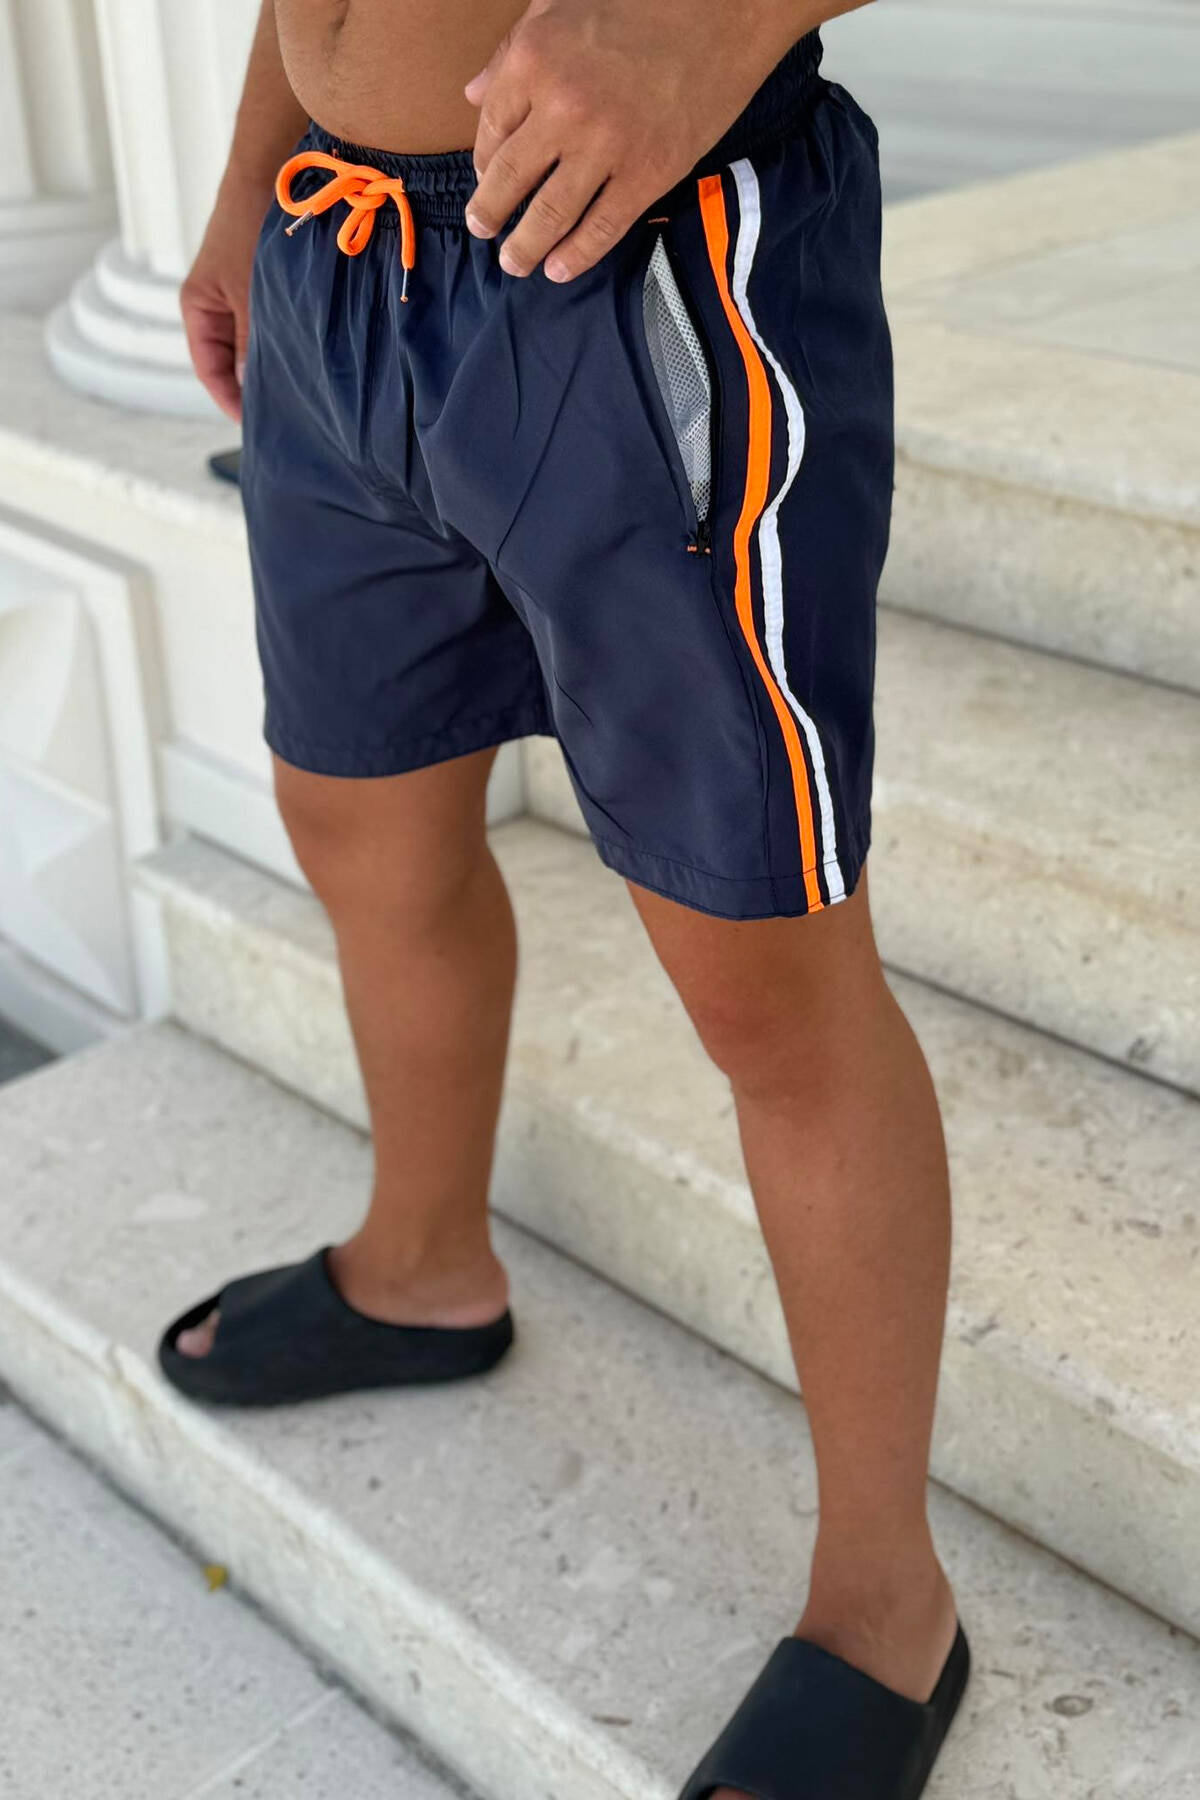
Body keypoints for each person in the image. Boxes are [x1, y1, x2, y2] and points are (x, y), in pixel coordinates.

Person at [159, 1, 971, 1793]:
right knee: (357, 811)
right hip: (333, 252)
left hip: (643, 241)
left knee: (760, 959)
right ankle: (420, 1266)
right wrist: (247, 185)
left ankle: (885, 1605)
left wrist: (702, 28)